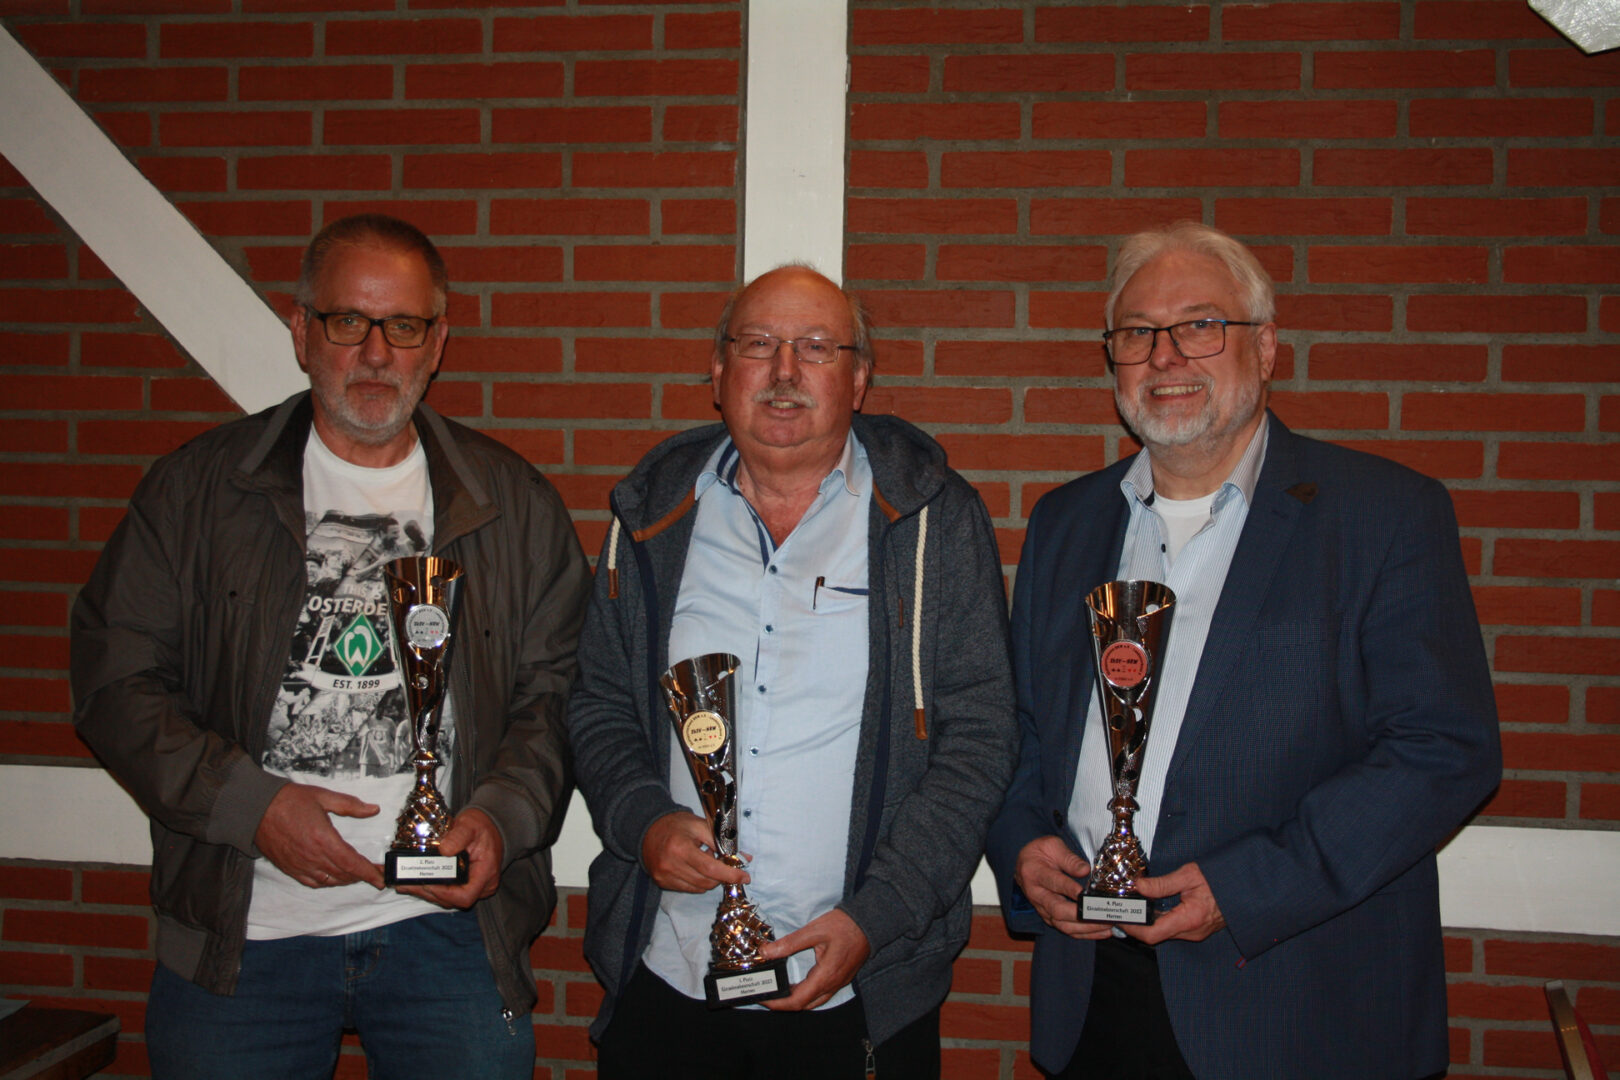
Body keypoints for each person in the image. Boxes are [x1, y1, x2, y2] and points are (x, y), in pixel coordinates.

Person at [70, 214, 591, 1079]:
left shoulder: (514, 503)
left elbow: (559, 693)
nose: (377, 353)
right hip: (243, 937)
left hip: (446, 935)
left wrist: (501, 818)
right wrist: (252, 807)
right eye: (349, 321)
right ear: (301, 331)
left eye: (405, 326)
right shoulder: (197, 491)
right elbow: (113, 682)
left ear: (438, 342)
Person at [985, 222, 1501, 1080]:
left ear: (1264, 348)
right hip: (1095, 994)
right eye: (1137, 332)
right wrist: (1022, 845)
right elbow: (1020, 730)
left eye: (1200, 325)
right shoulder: (1065, 523)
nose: (1165, 356)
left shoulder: (1384, 515)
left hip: (1295, 999)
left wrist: (1247, 888)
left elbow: (1445, 749)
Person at [565, 265, 1017, 1079]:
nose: (784, 372)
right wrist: (643, 819)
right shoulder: (650, 517)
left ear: (859, 378)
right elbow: (598, 703)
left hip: (858, 984)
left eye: (816, 348)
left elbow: (980, 738)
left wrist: (878, 916)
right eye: (757, 345)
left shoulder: (933, 520)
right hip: (671, 971)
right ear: (717, 372)